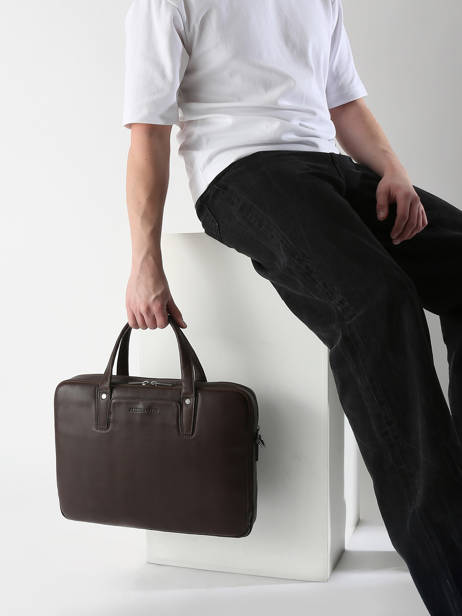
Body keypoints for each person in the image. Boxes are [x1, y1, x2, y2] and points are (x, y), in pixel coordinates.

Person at [121, 1, 462, 613]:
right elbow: (148, 129)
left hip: (329, 167)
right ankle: (452, 574)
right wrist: (146, 260)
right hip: (240, 172)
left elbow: (344, 103)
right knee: (375, 302)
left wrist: (393, 169)